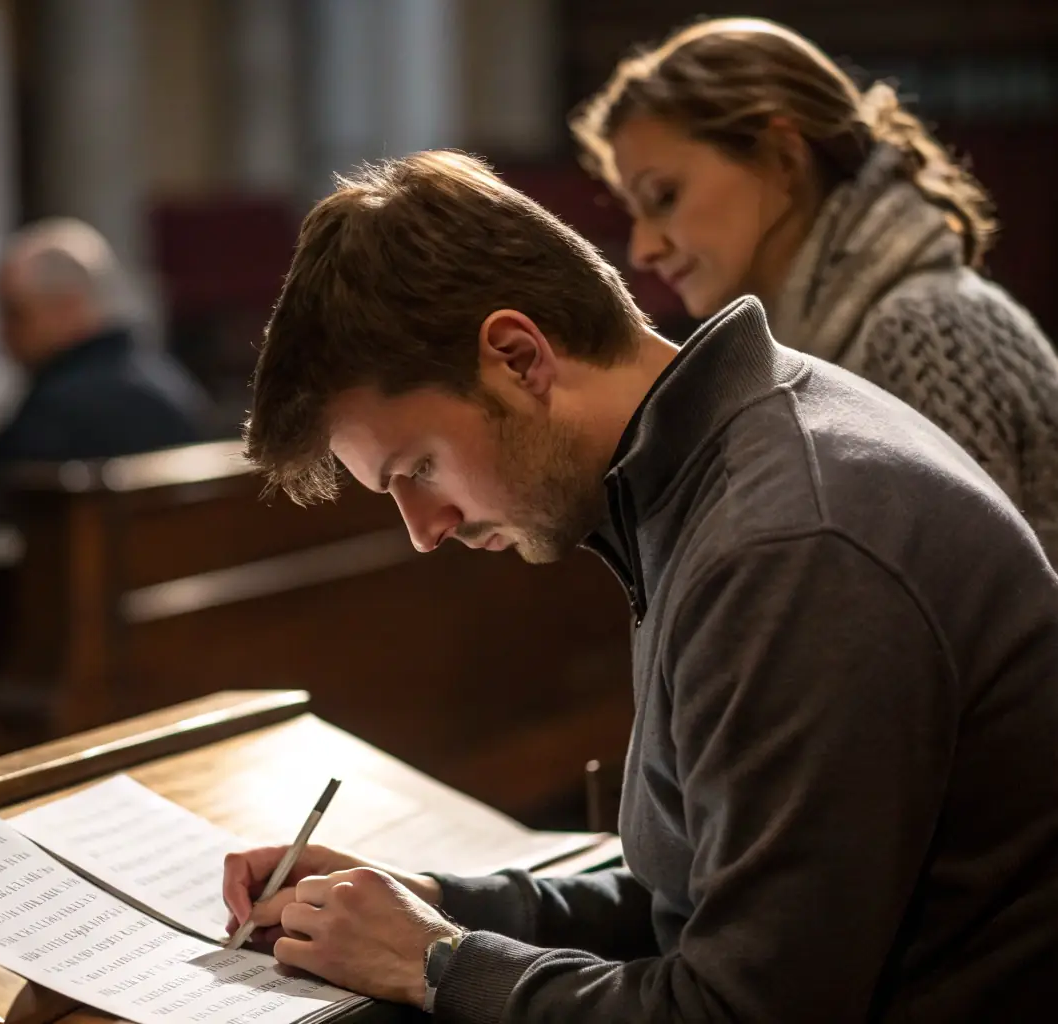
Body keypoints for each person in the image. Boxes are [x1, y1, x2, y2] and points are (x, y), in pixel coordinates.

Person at [221, 151, 1058, 1022]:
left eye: (419, 469)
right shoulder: (720, 459)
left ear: (516, 356)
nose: (425, 530)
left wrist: (437, 964)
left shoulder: (784, 544)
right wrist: (434, 904)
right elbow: (705, 891)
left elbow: (737, 1008)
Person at [569, 17, 1058, 560]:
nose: (642, 249)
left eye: (663, 196)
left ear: (782, 157)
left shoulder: (921, 330)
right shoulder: (850, 341)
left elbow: (963, 615)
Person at [0, 217, 220, 467]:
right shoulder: (167, 377)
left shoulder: (56, 412)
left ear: (68, 306)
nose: (1, 336)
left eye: (15, 315)